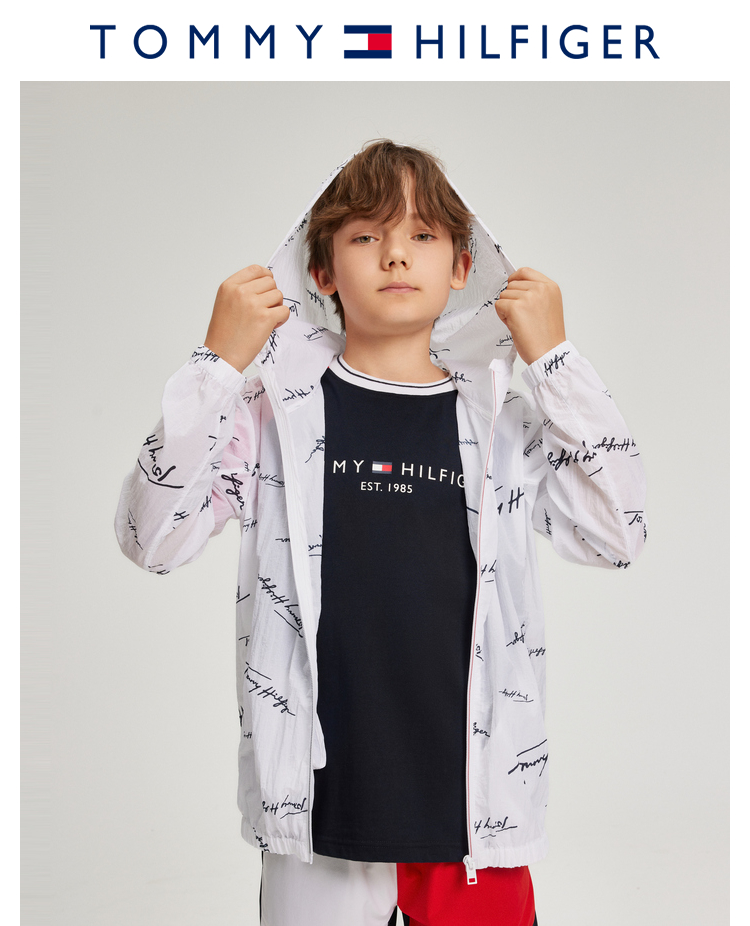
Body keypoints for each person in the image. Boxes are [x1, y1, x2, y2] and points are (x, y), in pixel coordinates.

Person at [115, 140, 647, 926]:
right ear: (322, 270)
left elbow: (618, 532)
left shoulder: (504, 424)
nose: (396, 254)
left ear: (462, 266)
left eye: (422, 234)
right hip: (318, 819)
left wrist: (557, 361)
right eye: (366, 235)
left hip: (474, 815)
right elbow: (150, 537)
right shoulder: (269, 415)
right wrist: (215, 366)